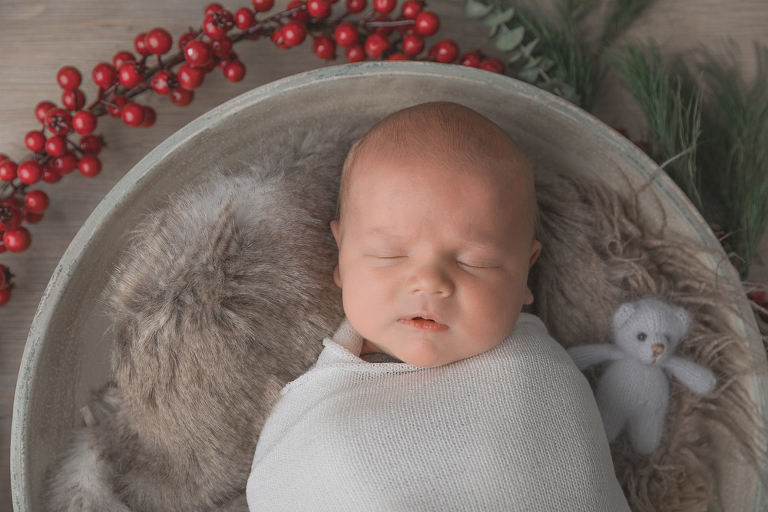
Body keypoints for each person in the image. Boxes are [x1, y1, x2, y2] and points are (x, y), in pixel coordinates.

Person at [246, 102, 630, 511]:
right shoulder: (320, 412)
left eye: (474, 261)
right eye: (390, 254)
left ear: (524, 275)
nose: (429, 281)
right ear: (341, 258)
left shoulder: (539, 379)